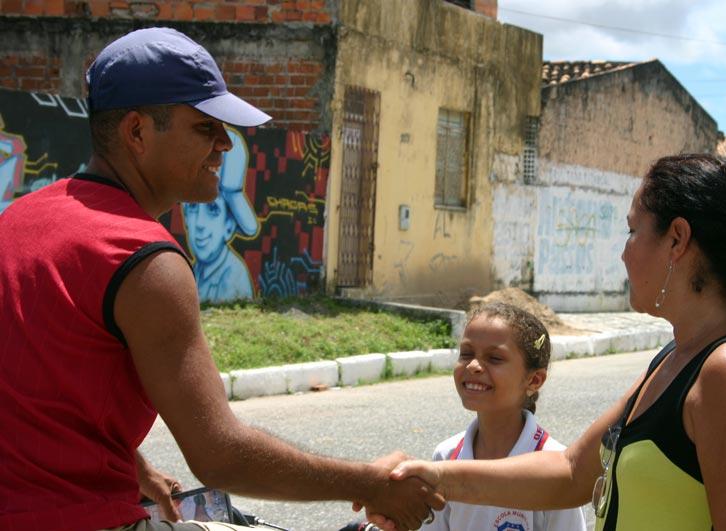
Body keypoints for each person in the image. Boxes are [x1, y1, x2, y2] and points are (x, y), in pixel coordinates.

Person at [0, 27, 441, 531]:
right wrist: (370, 483)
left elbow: (35, 389)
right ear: (137, 132)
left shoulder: (19, 219)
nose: (225, 144)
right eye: (205, 127)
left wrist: (133, 466)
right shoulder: (144, 260)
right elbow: (221, 457)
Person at [392, 153, 726, 530]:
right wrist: (436, 476)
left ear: (677, 239)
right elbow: (571, 473)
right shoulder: (678, 357)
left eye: (632, 230)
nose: (624, 253)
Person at [421, 302, 586, 531]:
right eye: (466, 354)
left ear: (534, 380)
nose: (473, 365)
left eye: (495, 358)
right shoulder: (447, 456)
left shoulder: (554, 468)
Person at [183, 128, 256, 303]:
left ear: (229, 226)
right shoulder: (195, 271)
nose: (199, 224)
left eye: (212, 210)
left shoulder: (233, 278)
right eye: (192, 207)